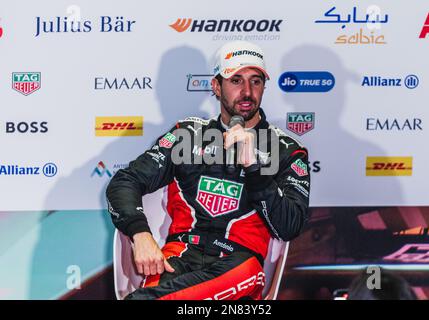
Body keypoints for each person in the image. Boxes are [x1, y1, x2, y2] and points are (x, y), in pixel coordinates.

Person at [106, 40, 310, 300]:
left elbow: (289, 227)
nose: (247, 91)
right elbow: (125, 181)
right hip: (178, 256)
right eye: (236, 80)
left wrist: (256, 169)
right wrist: (140, 233)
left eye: (256, 81)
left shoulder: (287, 150)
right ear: (216, 86)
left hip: (239, 265)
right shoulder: (187, 135)